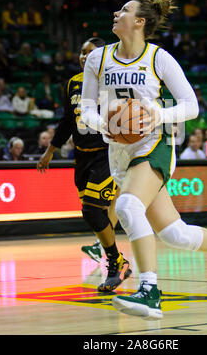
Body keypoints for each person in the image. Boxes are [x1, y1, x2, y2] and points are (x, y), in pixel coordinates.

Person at [80, 0, 207, 320]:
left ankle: (149, 290)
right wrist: (105, 123)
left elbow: (191, 106)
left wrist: (156, 113)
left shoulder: (159, 58)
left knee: (128, 206)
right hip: (119, 150)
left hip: (155, 142)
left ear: (140, 21)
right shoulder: (97, 59)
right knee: (175, 234)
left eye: (125, 10)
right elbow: (86, 109)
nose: (116, 13)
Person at [37, 37, 131, 292]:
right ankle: (112, 256)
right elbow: (67, 121)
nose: (84, 56)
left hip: (108, 153)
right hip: (81, 156)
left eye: (90, 52)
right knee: (94, 212)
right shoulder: (72, 83)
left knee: (92, 210)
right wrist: (50, 151)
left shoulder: (113, 81)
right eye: (81, 51)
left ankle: (116, 261)